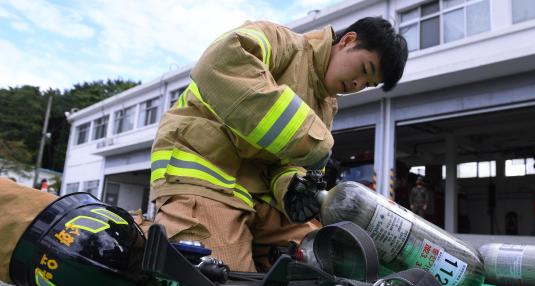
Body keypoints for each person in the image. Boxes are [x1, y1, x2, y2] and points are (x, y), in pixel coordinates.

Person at [150, 17, 408, 272]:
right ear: (348, 41)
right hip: (201, 178)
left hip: (254, 196)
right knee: (223, 283)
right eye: (364, 70)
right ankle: (134, 239)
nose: (357, 85)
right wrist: (311, 139)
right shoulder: (281, 42)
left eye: (367, 85)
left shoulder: (326, 107)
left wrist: (292, 189)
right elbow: (219, 63)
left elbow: (286, 163)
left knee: (326, 262)